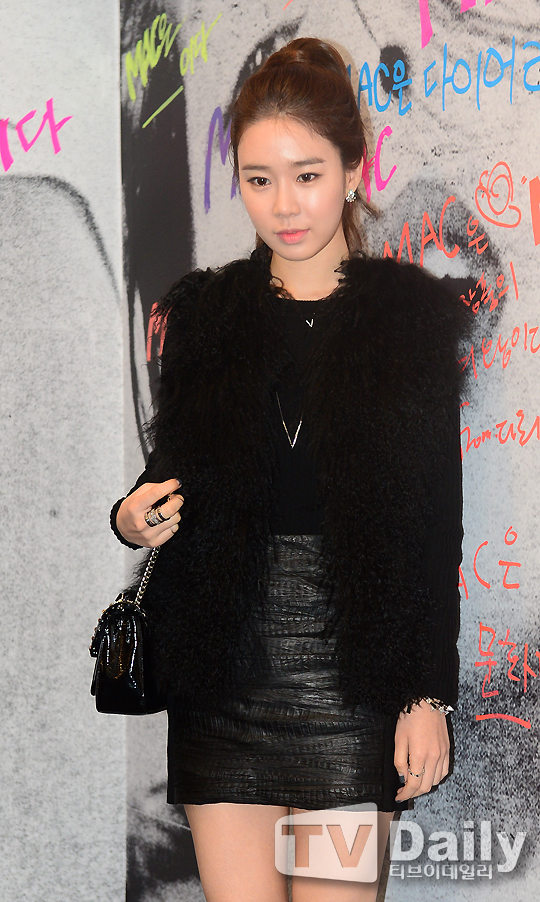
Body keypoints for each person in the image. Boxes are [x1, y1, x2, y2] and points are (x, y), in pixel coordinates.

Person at [111, 37, 468, 902]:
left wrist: (427, 694)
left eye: (306, 175)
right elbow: (168, 472)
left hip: (356, 669)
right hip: (222, 667)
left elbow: (435, 525)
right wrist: (131, 516)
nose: (284, 205)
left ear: (353, 170)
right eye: (259, 179)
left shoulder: (408, 321)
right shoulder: (205, 315)